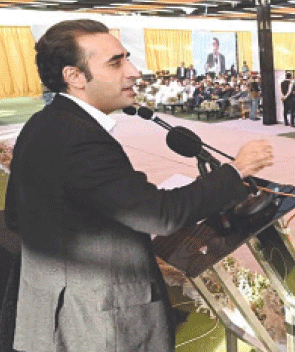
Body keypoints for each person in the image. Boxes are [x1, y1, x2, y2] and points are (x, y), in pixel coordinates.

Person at [3, 19, 273, 352]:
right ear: (74, 76)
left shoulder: (41, 124)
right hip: (99, 322)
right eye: (115, 63)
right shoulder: (79, 138)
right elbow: (160, 215)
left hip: (58, 313)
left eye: (127, 58)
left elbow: (16, 216)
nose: (133, 71)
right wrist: (238, 169)